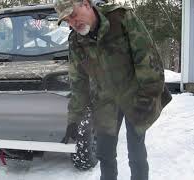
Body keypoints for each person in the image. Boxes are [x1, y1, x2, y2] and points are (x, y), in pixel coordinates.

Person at [54, 0, 172, 179]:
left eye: (73, 15)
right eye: (67, 20)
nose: (73, 23)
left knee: (136, 151)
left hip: (136, 95)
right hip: (105, 101)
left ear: (86, 4)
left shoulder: (121, 18)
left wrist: (147, 98)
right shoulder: (76, 41)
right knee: (105, 153)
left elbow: (147, 59)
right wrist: (74, 118)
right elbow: (78, 82)